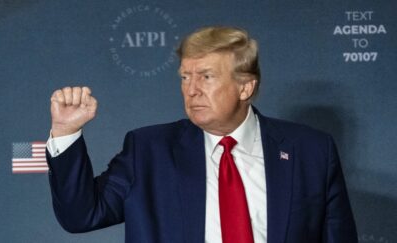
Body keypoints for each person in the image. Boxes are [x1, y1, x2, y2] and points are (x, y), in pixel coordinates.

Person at [46, 26, 358, 243]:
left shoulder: (311, 151)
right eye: (185, 77)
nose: (192, 90)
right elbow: (81, 216)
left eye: (206, 77)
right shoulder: (149, 151)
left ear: (245, 86)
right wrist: (66, 132)